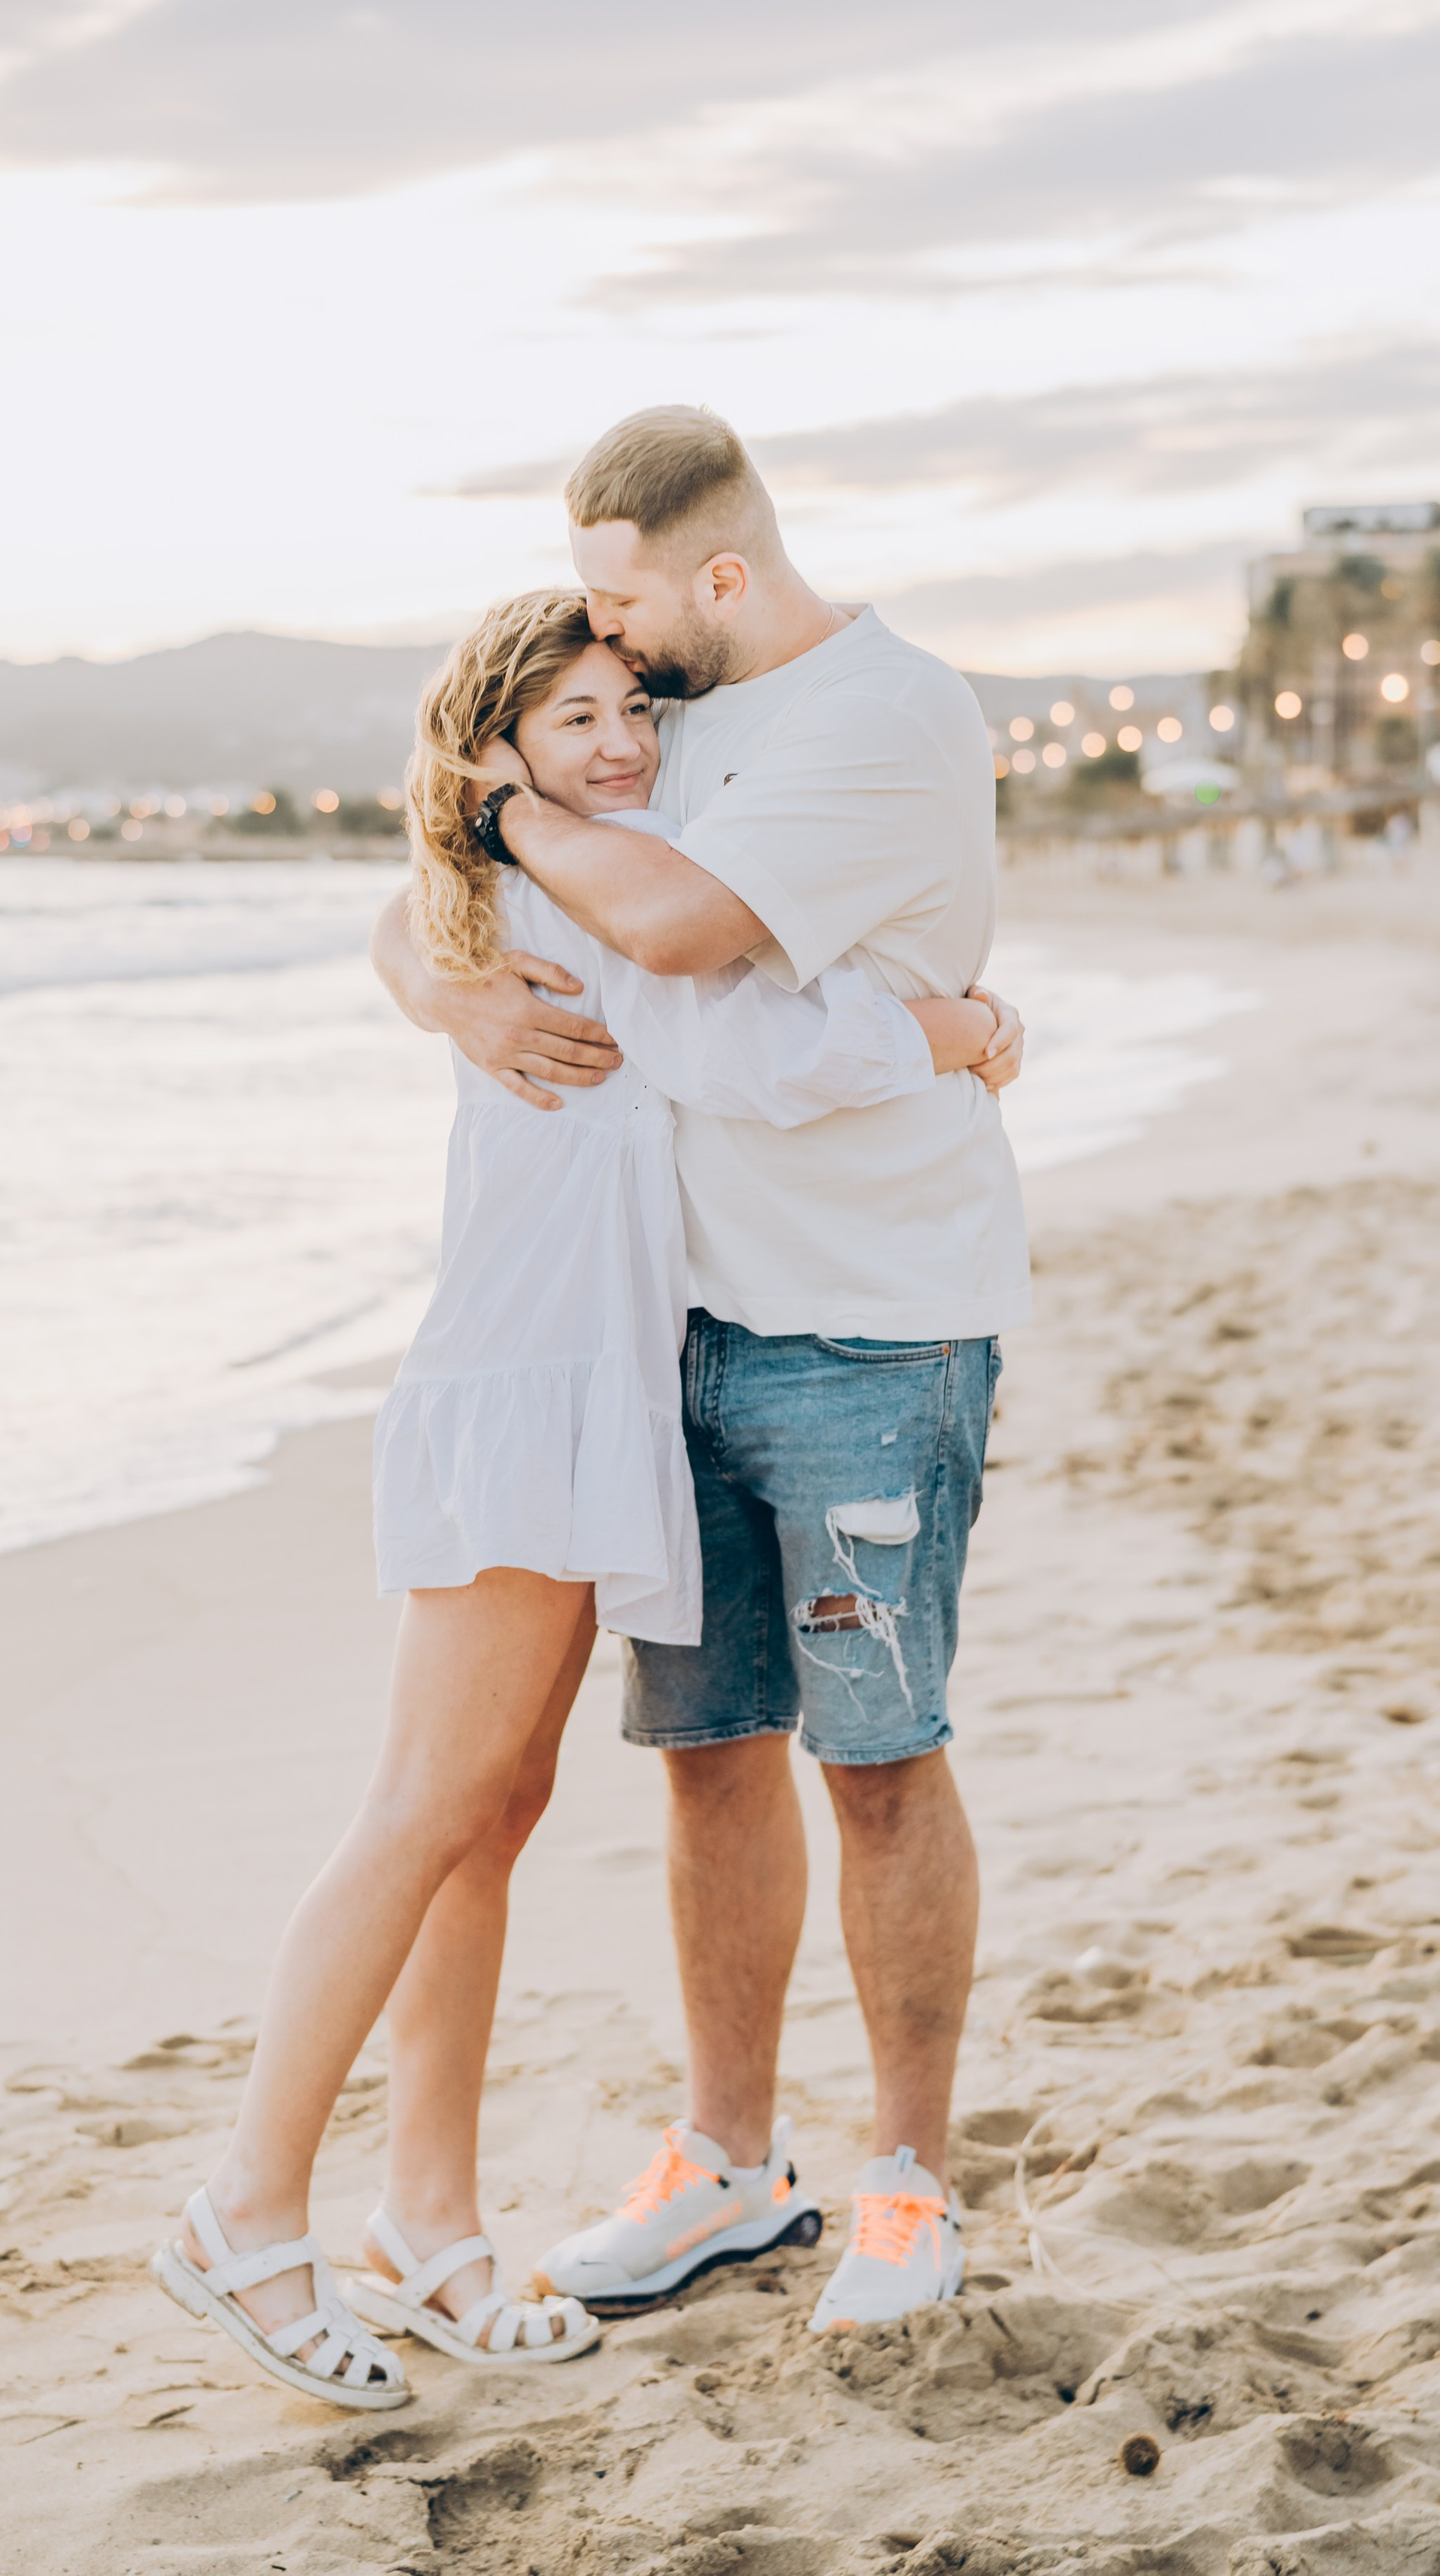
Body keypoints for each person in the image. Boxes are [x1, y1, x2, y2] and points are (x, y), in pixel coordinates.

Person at [153, 589, 1014, 2409]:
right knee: (424, 1810)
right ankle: (244, 2208)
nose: (620, 742)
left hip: (578, 1379)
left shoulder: (569, 875)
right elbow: (746, 1052)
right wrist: (946, 1030)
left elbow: (438, 925)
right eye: (570, 721)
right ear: (497, 758)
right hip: (533, 1386)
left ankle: (427, 2224)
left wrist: (462, 898)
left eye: (632, 706)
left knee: (492, 1809)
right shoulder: (580, 895)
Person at [372, 405, 1030, 2337]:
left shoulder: (878, 717)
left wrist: (480, 804)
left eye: (620, 594)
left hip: (864, 1321)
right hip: (679, 1323)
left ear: (717, 572)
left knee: (879, 1758)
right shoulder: (665, 718)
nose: (607, 641)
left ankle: (902, 2179)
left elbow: (661, 925)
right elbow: (445, 911)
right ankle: (728, 2169)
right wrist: (447, 979)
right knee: (708, 1756)